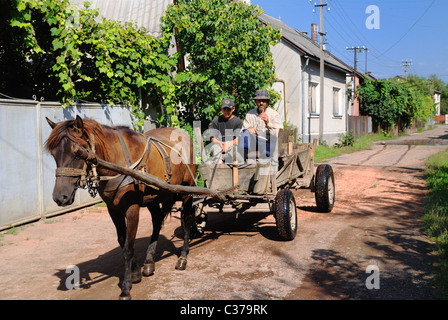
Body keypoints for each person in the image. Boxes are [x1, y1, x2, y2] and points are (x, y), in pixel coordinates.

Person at [240, 89, 283, 174]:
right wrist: (249, 128)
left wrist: (268, 122)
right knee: (245, 133)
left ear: (267, 102)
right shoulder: (250, 114)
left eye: (264, 101)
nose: (261, 103)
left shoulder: (274, 114)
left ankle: (272, 174)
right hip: (254, 141)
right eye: (259, 100)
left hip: (268, 142)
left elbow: (279, 132)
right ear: (255, 101)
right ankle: (243, 163)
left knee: (269, 153)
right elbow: (242, 130)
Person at [208, 98, 243, 164]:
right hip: (218, 144)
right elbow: (212, 138)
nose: (226, 111)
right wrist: (220, 143)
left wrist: (228, 145)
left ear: (233, 109)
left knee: (237, 155)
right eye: (224, 109)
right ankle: (219, 165)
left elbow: (238, 139)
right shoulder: (216, 120)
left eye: (229, 109)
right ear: (221, 109)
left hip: (232, 144)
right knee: (215, 150)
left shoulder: (237, 121)